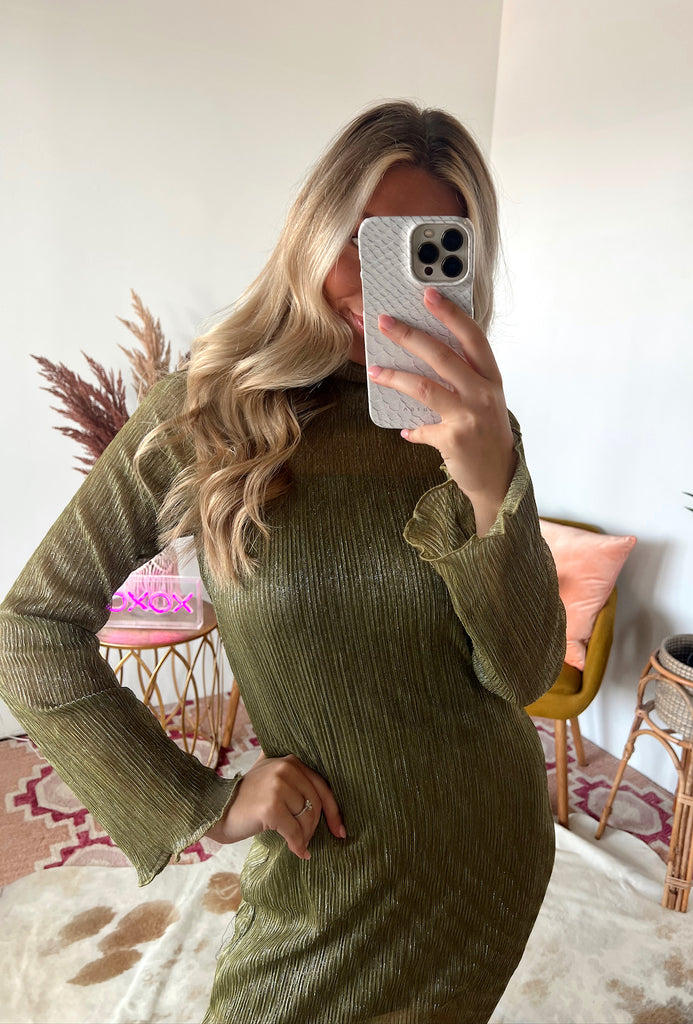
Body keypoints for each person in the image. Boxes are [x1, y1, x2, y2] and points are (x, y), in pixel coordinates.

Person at [0, 101, 565, 1024]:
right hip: (327, 874)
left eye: (421, 249)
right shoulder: (207, 412)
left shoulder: (475, 427)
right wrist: (204, 803)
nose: (377, 281)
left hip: (486, 856)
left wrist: (491, 481)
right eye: (362, 238)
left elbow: (525, 673)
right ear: (311, 231)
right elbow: (30, 631)